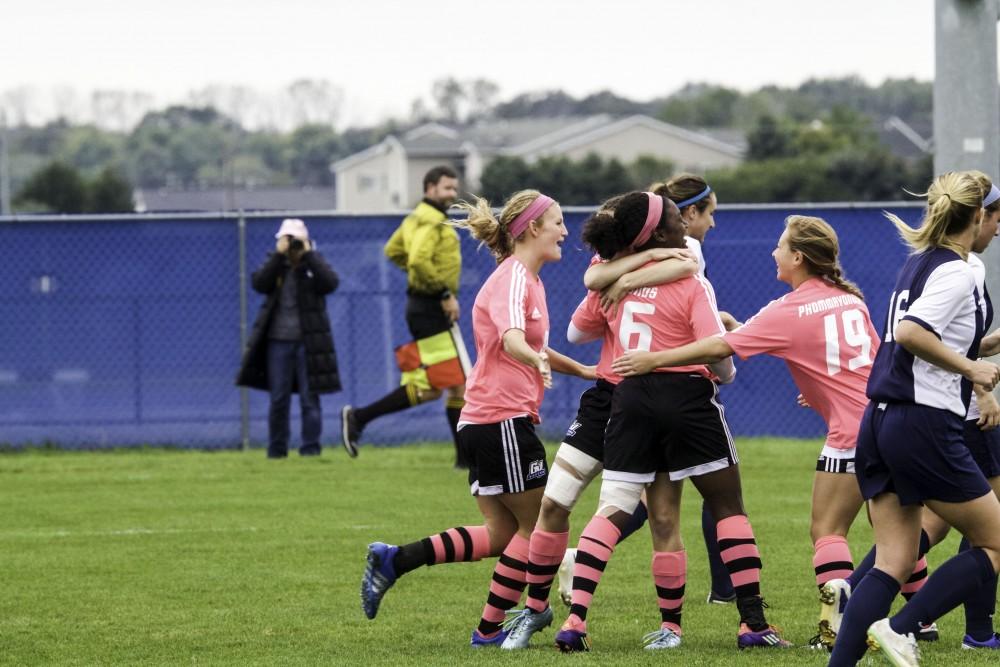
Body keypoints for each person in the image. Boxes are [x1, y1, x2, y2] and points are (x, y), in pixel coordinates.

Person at [613, 214, 878, 650]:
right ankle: (918, 623)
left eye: (780, 245)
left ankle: (838, 632)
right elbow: (866, 360)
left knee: (828, 532)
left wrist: (654, 359)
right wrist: (821, 390)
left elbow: (719, 348)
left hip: (851, 437)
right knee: (895, 533)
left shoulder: (789, 308)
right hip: (887, 425)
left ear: (797, 256)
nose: (773, 252)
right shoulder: (850, 299)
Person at [359, 190, 596, 648]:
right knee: (543, 526)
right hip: (502, 421)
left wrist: (581, 369)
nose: (565, 231)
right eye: (558, 222)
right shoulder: (512, 278)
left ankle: (395, 560)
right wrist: (535, 359)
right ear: (531, 229)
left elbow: (530, 346)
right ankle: (508, 622)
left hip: (484, 420)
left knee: (502, 534)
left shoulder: (527, 280)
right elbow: (512, 340)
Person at [554, 191, 789, 652]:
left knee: (616, 510)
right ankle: (753, 624)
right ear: (659, 234)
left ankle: (577, 623)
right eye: (676, 219)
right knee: (728, 508)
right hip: (686, 397)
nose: (685, 223)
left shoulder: (613, 280)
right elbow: (717, 353)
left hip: (631, 400)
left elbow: (579, 330)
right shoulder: (690, 279)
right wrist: (726, 373)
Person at [501, 195, 700, 650]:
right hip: (606, 399)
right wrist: (635, 269)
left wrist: (630, 279)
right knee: (553, 504)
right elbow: (577, 326)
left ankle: (668, 627)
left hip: (650, 400)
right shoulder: (607, 264)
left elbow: (687, 266)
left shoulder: (680, 260)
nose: (682, 227)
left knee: (661, 517)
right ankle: (535, 610)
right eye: (673, 220)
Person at [827, 171, 1000, 667]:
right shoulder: (960, 271)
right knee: (994, 542)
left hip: (880, 421)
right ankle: (900, 629)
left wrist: (979, 350)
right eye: (996, 219)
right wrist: (970, 368)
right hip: (923, 425)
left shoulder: (920, 263)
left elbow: (933, 340)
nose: (997, 230)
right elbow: (910, 332)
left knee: (894, 560)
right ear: (976, 217)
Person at [340, 165, 467, 464]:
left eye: (453, 188)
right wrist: (443, 294)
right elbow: (420, 260)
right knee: (455, 384)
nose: (452, 193)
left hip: (421, 306)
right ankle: (465, 460)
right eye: (446, 188)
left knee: (436, 388)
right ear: (430, 188)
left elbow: (393, 250)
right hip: (431, 308)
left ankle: (359, 417)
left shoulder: (415, 217)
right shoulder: (432, 222)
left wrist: (418, 276)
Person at [236, 218, 341, 458]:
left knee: (309, 399)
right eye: (288, 239)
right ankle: (277, 450)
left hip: (308, 341)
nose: (292, 245)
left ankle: (311, 449)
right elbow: (259, 283)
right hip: (278, 341)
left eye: (296, 240)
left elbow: (331, 283)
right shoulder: (274, 266)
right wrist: (278, 256)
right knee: (278, 399)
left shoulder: (314, 266)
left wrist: (309, 255)